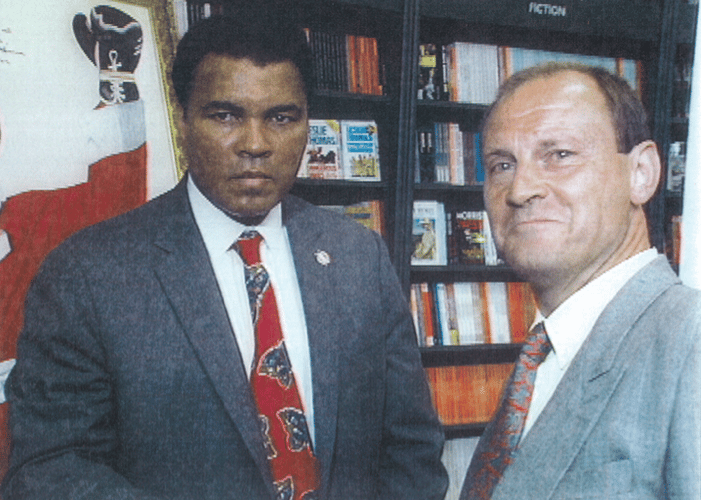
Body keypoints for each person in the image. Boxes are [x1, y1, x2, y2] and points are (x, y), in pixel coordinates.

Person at [2, 8, 448, 500]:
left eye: (281, 117)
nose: (255, 143)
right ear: (183, 118)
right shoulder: (88, 274)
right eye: (225, 115)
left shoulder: (359, 257)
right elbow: (50, 468)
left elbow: (412, 451)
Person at [460, 63, 700, 499]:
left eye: (560, 155)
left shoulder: (691, 341)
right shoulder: (541, 355)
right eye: (501, 165)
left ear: (642, 173)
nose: (520, 189)